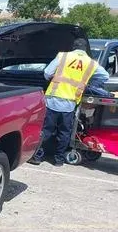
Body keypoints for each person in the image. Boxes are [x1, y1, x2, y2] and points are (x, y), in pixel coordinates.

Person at [28, 38, 109, 166]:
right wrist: (88, 84)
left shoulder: (63, 56)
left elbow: (47, 72)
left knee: (46, 130)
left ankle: (38, 157)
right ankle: (59, 160)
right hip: (70, 103)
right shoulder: (91, 63)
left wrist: (52, 78)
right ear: (85, 49)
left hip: (53, 99)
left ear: (73, 47)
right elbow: (105, 76)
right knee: (65, 132)